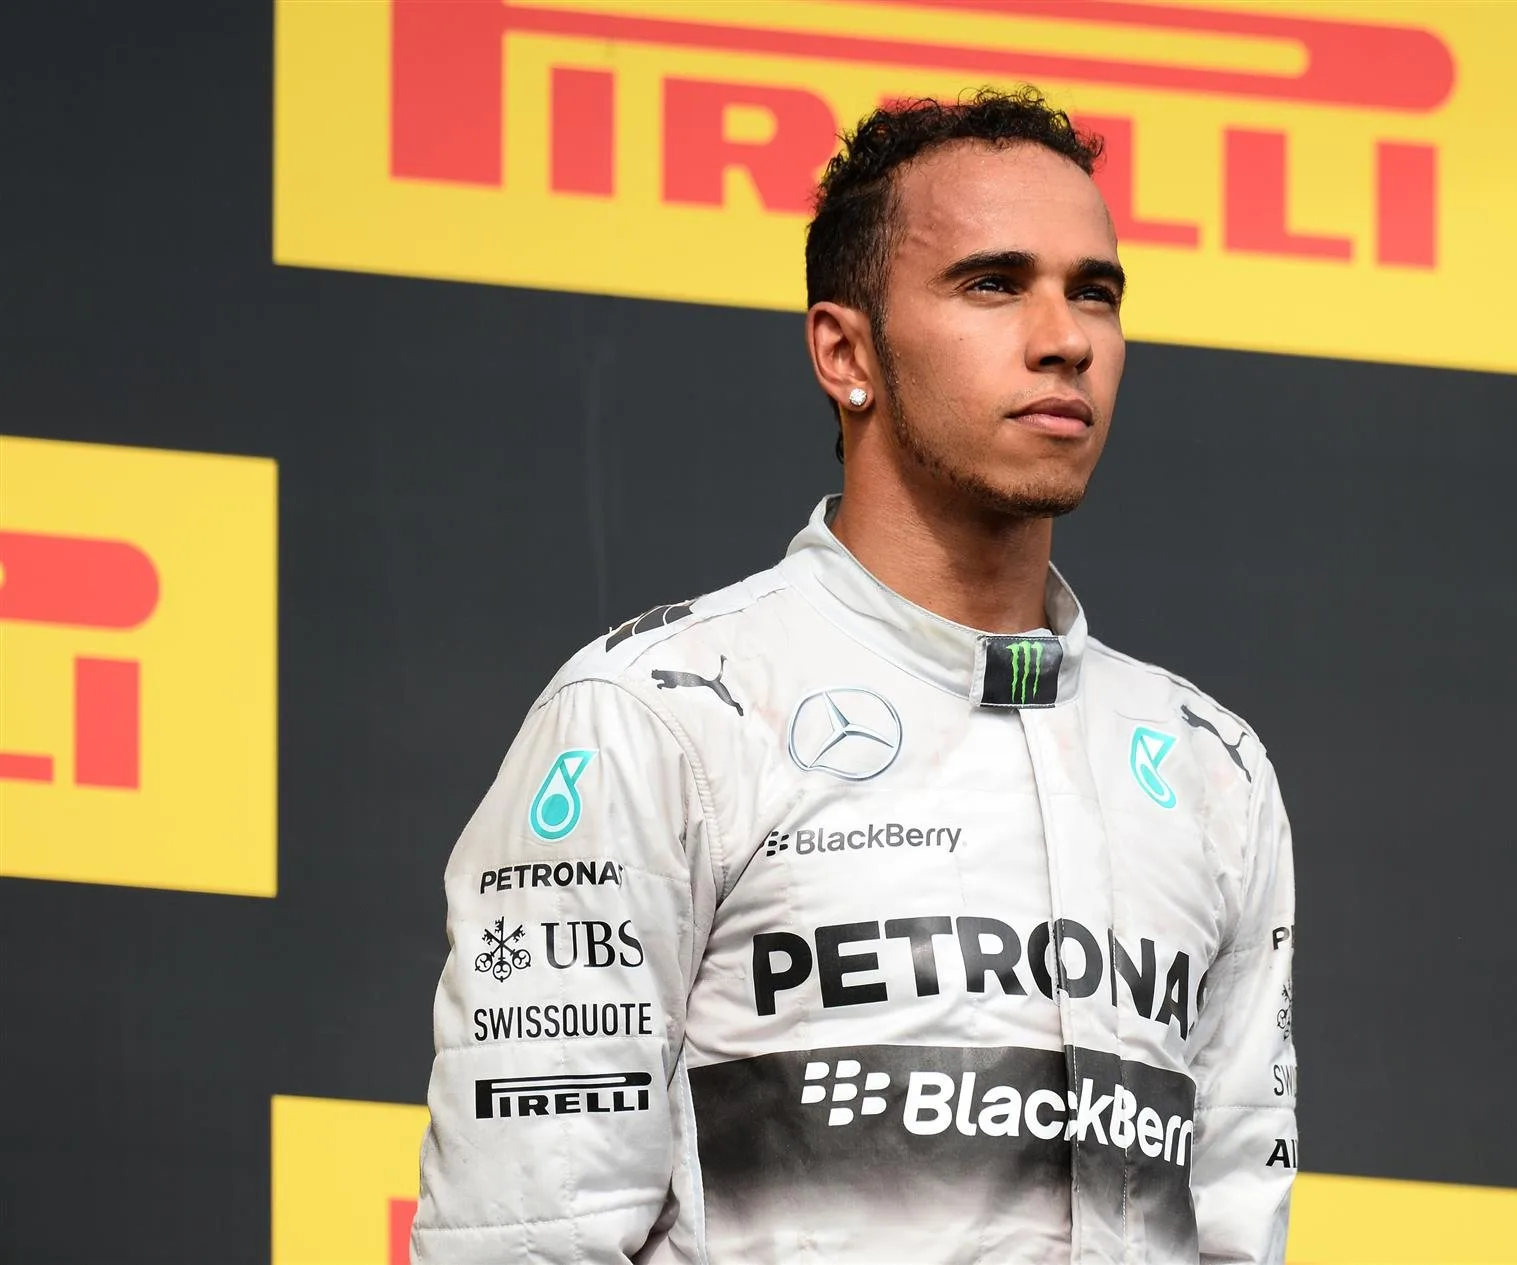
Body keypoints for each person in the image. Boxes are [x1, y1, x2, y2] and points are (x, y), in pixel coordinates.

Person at [411, 87, 1297, 1265]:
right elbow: (517, 1240)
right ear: (844, 349)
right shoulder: (658, 714)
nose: (1065, 337)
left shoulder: (1209, 764)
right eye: (993, 283)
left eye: (1095, 291)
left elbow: (1234, 1223)